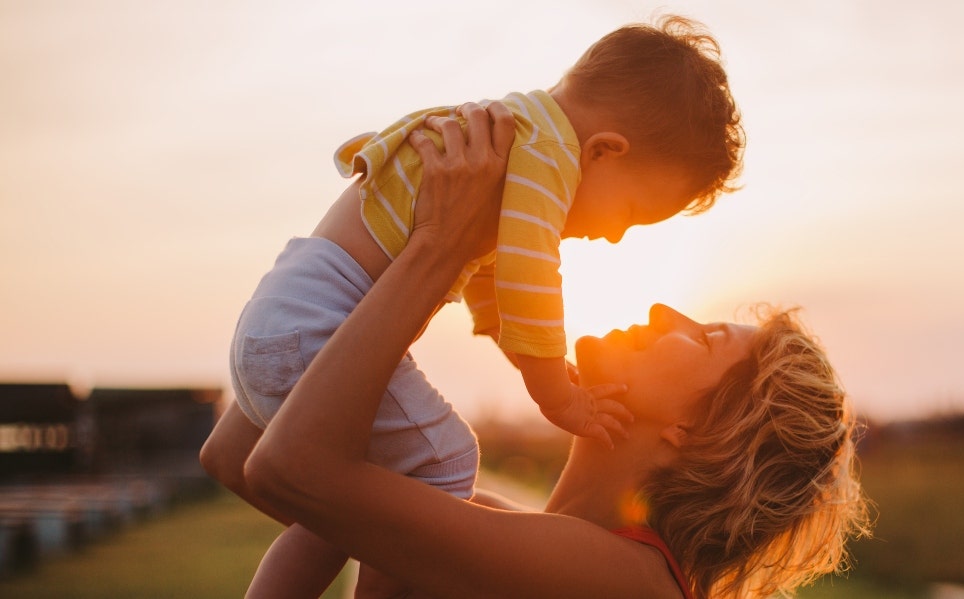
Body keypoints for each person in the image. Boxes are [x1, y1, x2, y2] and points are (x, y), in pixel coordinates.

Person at [203, 15, 744, 597]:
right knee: (444, 466)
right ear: (605, 151)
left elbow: (491, 275)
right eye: (633, 212)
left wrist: (473, 298)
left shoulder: (514, 134)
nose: (615, 237)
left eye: (706, 338)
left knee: (364, 498)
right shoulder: (546, 163)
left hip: (285, 313)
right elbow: (528, 275)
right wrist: (552, 390)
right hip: (318, 323)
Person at [241, 99, 870, 598]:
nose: (660, 311)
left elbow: (287, 468)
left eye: (705, 338)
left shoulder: (626, 580)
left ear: (695, 427)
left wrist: (441, 245)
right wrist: (324, 306)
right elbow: (241, 458)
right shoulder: (502, 525)